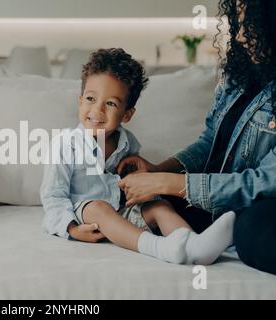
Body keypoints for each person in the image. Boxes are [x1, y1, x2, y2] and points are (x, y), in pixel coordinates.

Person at [117, 0, 276, 274]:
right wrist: (158, 171)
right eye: (237, 24)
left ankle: (224, 229)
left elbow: (262, 183)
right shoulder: (238, 75)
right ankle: (204, 238)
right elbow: (208, 143)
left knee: (254, 232)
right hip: (210, 195)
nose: (239, 35)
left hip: (257, 201)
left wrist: (168, 183)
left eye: (249, 25)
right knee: (132, 197)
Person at [41, 48, 236, 265]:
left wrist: (142, 193)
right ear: (80, 101)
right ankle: (160, 248)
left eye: (111, 103)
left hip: (121, 213)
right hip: (87, 217)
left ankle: (195, 247)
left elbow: (133, 186)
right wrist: (72, 229)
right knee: (98, 207)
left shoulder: (128, 142)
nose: (97, 110)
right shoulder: (65, 144)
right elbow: (53, 197)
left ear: (127, 114)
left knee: (160, 207)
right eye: (90, 98)